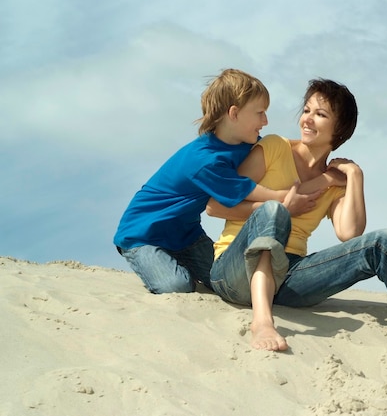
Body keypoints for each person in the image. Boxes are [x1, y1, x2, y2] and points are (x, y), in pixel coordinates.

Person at [206, 78, 387, 352]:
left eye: (320, 114)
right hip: (234, 270)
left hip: (287, 278)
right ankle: (262, 323)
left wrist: (355, 176)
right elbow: (216, 206)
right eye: (306, 110)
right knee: (274, 210)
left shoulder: (336, 179)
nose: (307, 120)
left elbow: (349, 233)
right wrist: (288, 203)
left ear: (339, 129)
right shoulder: (273, 147)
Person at [113, 68, 305, 294]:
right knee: (178, 285)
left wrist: (315, 149)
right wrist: (287, 199)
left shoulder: (242, 143)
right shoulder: (206, 161)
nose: (265, 120)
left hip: (186, 235)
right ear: (234, 113)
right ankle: (156, 263)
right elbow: (249, 190)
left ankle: (173, 261)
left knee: (222, 280)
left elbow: (280, 145)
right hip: (142, 234)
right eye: (260, 112)